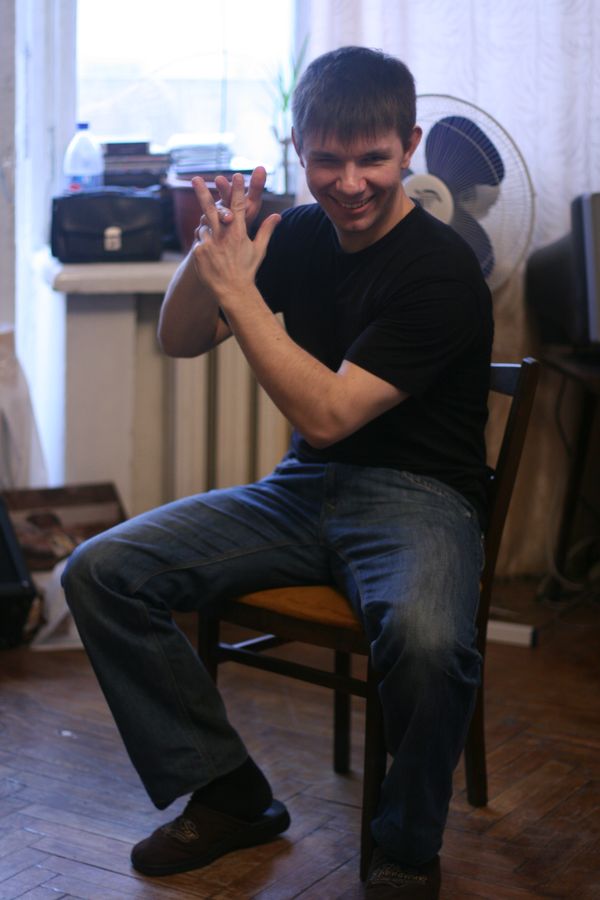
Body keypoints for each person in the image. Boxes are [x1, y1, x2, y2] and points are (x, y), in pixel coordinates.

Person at [62, 46, 493, 898]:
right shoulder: (294, 234)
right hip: (302, 492)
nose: (350, 183)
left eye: (373, 158)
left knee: (429, 642)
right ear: (299, 150)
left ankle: (405, 845)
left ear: (409, 146)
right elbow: (180, 338)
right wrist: (211, 255)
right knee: (100, 571)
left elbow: (328, 413)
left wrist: (244, 296)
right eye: (328, 160)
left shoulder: (443, 269)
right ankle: (231, 794)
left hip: (423, 500)